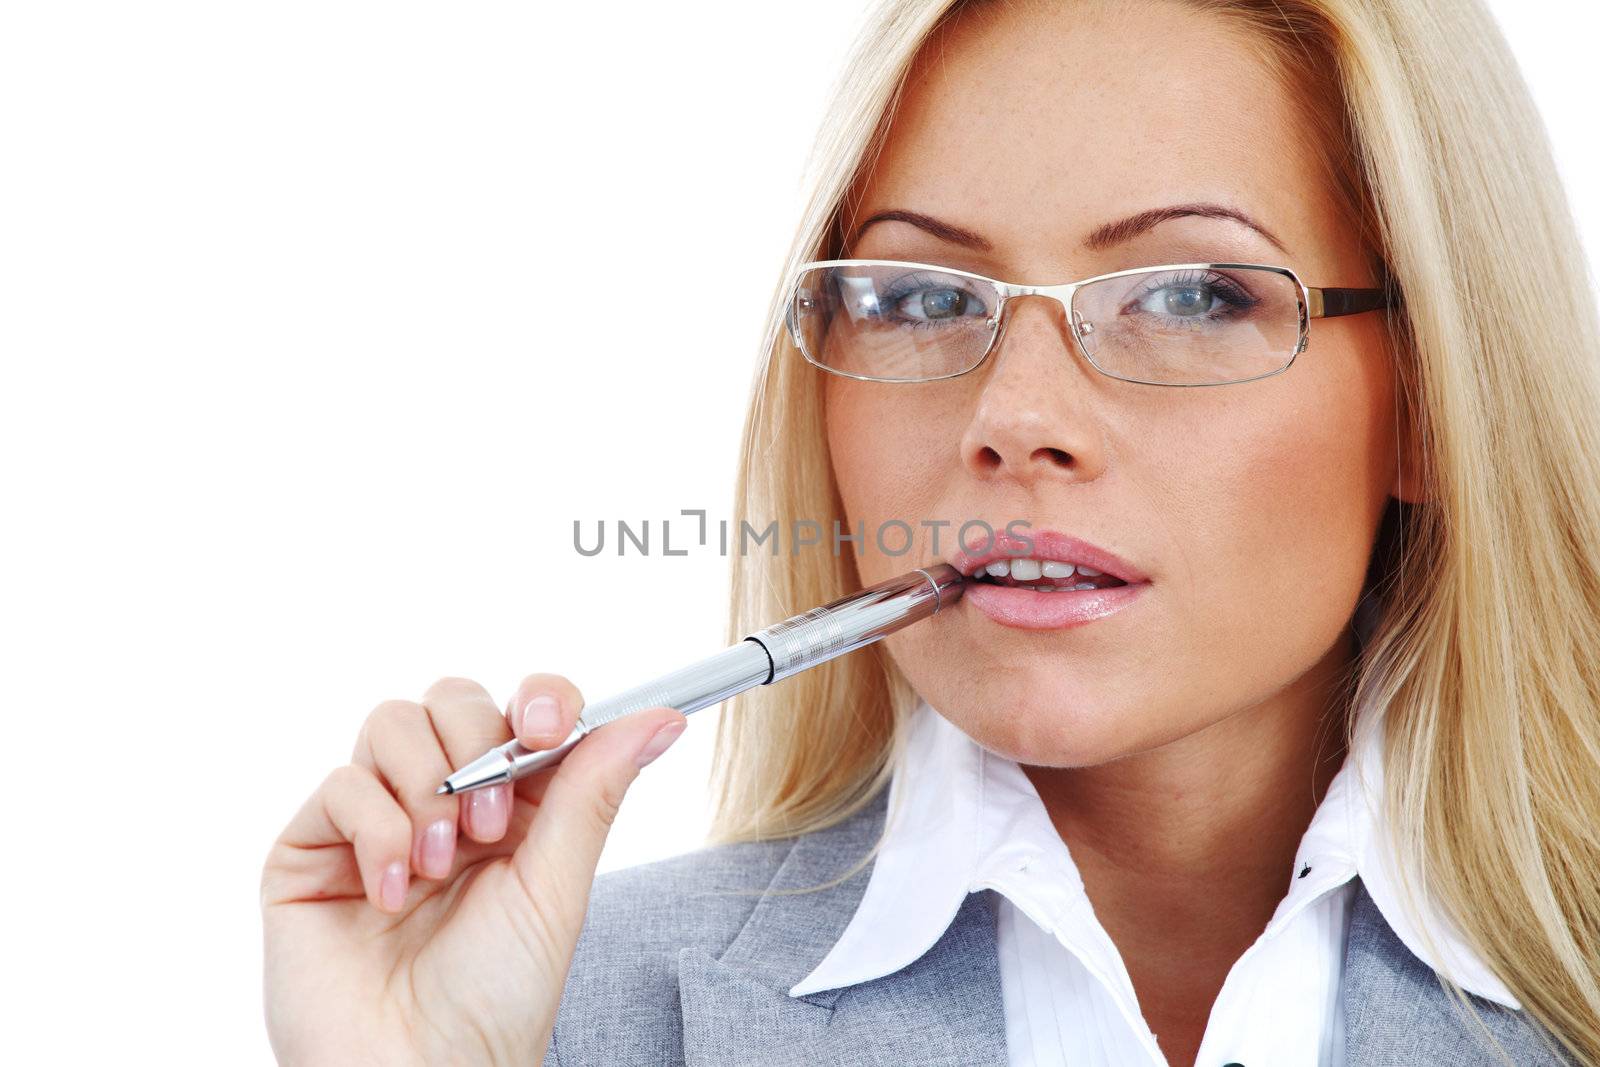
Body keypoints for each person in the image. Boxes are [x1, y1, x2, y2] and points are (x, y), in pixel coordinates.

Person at [260, 0, 1600, 1063]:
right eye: (913, 298)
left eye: (1190, 295)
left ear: (1435, 395)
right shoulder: (570, 1016)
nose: (1016, 418)